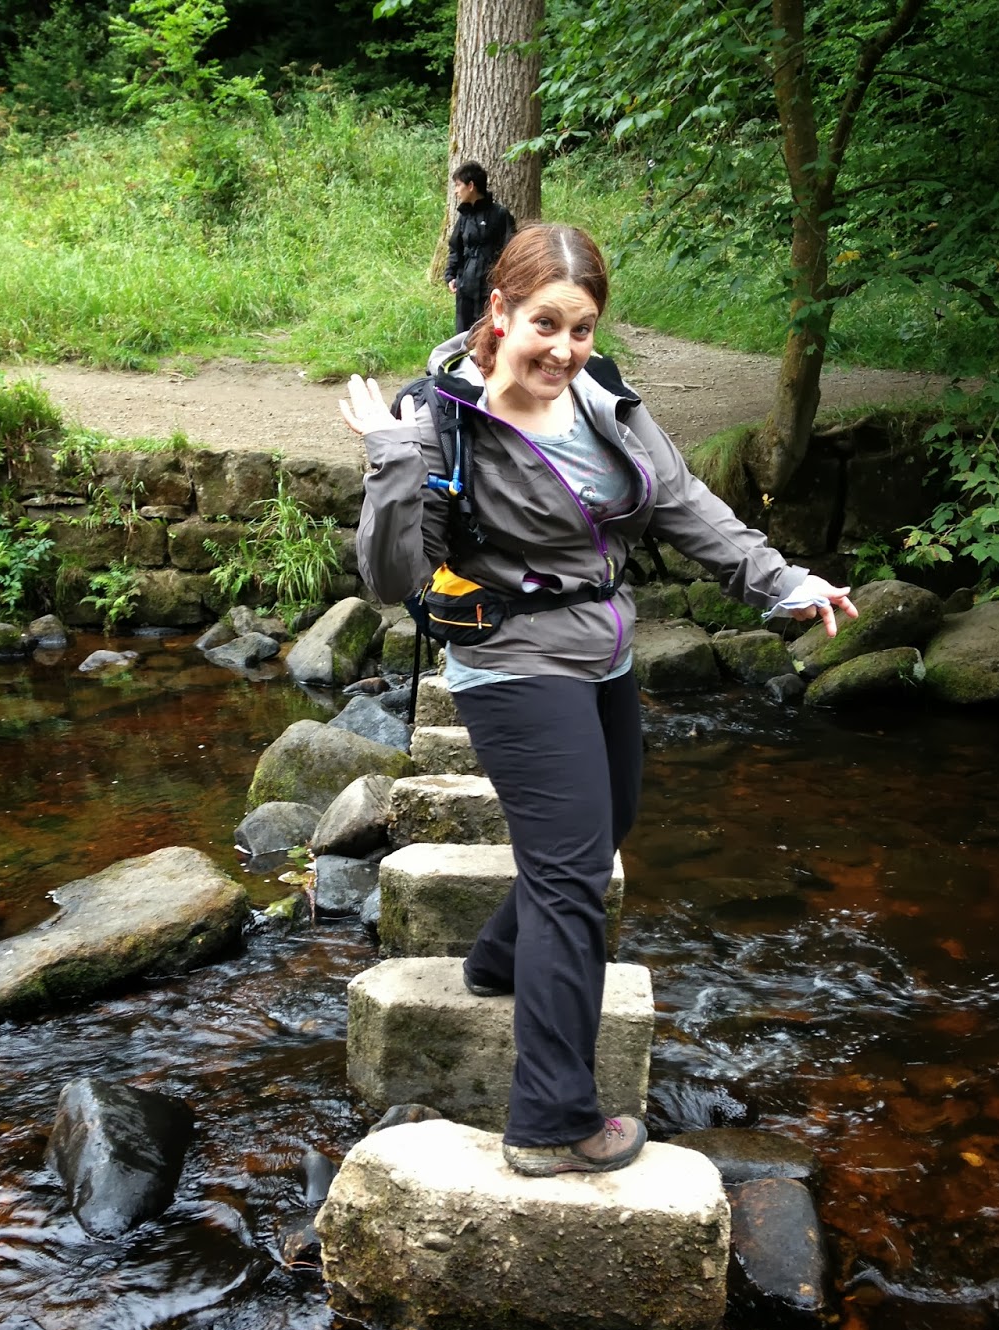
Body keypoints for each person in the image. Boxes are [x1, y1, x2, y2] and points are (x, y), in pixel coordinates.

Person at [341, 224, 856, 1179]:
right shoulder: (441, 424)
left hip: (602, 644)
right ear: (500, 312)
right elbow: (388, 575)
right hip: (511, 657)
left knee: (609, 821)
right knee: (574, 875)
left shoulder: (604, 396)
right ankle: (549, 1122)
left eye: (581, 329)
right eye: (546, 324)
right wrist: (391, 456)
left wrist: (780, 580)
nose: (565, 349)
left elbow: (681, 500)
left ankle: (498, 961)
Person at [444, 162, 515, 335]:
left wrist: (504, 282)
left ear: (471, 186)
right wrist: (450, 276)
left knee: (488, 333)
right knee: (463, 335)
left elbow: (511, 251)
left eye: (458, 185)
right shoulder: (464, 217)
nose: (456, 191)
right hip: (465, 286)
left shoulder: (500, 215)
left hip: (490, 286)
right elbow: (456, 248)